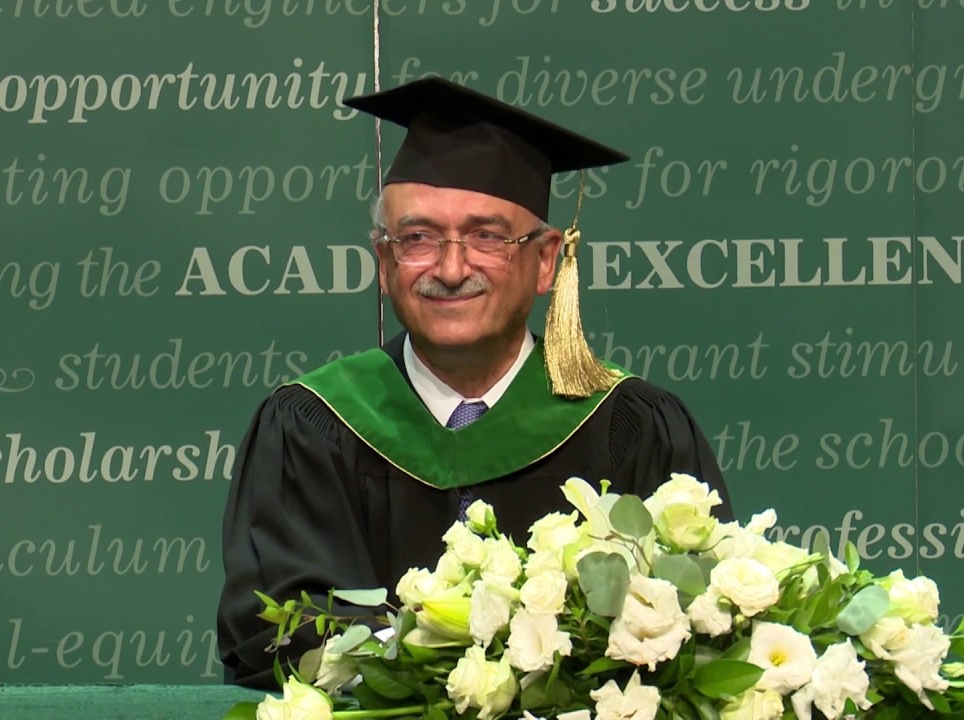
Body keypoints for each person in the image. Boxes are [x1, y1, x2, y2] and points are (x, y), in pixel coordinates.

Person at [215, 78, 734, 690]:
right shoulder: (312, 426)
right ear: (385, 264)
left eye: (487, 237)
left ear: (545, 262)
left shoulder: (634, 425)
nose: (452, 267)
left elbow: (705, 627)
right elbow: (271, 629)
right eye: (418, 239)